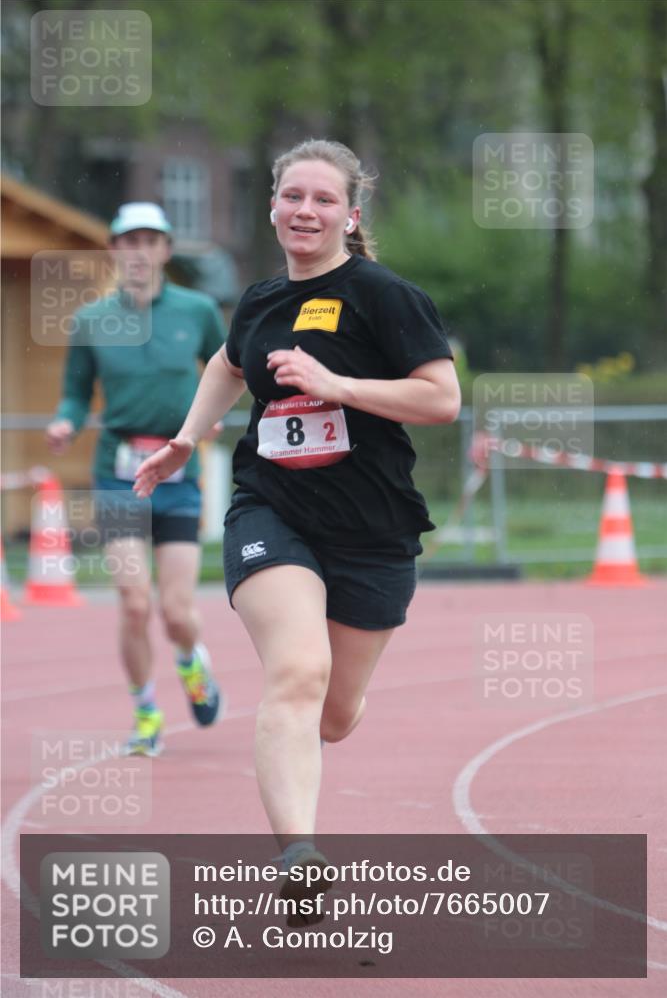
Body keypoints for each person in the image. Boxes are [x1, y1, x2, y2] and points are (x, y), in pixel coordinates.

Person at [134, 140, 460, 915]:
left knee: (335, 715)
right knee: (296, 673)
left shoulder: (385, 296)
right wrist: (190, 435)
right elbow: (228, 363)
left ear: (350, 215)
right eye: (291, 197)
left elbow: (441, 398)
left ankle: (306, 808)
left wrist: (335, 384)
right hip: (271, 511)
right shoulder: (257, 300)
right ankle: (300, 855)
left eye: (321, 199)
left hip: (373, 531)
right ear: (272, 206)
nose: (304, 211)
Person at [46, 202, 226, 757]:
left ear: (166, 250)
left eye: (149, 241)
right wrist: (65, 422)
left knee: (176, 612)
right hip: (120, 474)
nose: (139, 252)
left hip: (176, 471)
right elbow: (77, 391)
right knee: (132, 601)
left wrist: (210, 416)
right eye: (128, 241)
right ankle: (146, 711)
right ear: (114, 251)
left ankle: (192, 663)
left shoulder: (196, 311)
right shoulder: (92, 320)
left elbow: (226, 370)